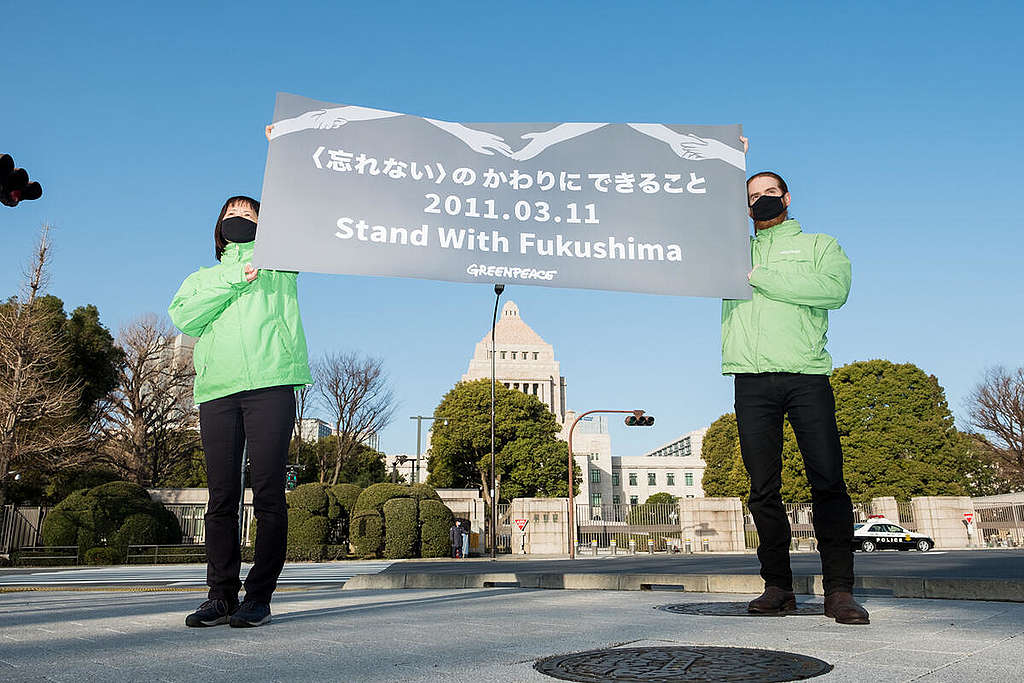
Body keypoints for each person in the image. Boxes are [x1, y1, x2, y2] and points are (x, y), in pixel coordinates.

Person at [722, 171, 869, 625]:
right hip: (749, 377)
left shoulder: (820, 245)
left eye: (769, 193)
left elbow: (832, 292)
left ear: (786, 198)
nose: (762, 201)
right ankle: (778, 587)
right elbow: (685, 226)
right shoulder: (728, 249)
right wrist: (723, 164)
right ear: (744, 208)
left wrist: (758, 277)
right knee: (762, 488)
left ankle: (839, 592)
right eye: (752, 196)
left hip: (806, 375)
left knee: (827, 480)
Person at [169, 196, 312, 628]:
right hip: (218, 390)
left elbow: (303, 214)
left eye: (251, 215)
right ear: (219, 225)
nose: (241, 219)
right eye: (233, 214)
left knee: (269, 493)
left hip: (271, 384)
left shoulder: (281, 265)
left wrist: (288, 144)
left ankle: (259, 597)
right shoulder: (203, 277)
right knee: (221, 497)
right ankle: (220, 596)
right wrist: (234, 278)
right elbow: (185, 317)